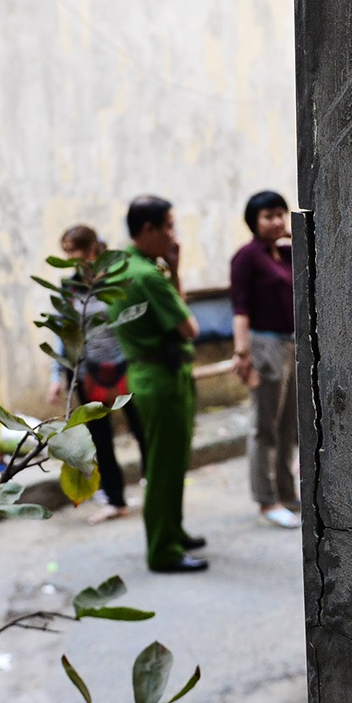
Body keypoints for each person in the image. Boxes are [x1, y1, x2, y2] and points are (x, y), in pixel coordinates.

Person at [110, 196, 207, 573]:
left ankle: (172, 531)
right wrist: (174, 273)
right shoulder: (148, 275)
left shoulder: (124, 264)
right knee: (166, 465)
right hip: (162, 376)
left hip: (146, 373)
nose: (173, 235)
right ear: (147, 229)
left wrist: (173, 268)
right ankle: (164, 550)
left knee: (169, 460)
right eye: (168, 226)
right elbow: (189, 327)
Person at [47, 224, 146, 524]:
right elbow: (64, 332)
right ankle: (115, 499)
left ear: (92, 250)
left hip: (126, 367)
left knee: (142, 428)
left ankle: (152, 484)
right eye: (65, 252)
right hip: (90, 372)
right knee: (101, 438)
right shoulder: (70, 288)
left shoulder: (118, 280)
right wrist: (56, 375)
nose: (70, 258)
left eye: (74, 251)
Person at [231, 191, 300, 529]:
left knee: (289, 426)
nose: (276, 221)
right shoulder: (247, 257)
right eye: (267, 216)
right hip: (263, 346)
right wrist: (242, 354)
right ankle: (266, 499)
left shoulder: (285, 254)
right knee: (265, 427)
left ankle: (287, 492)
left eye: (279, 214)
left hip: (291, 344)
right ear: (253, 221)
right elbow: (240, 308)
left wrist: (293, 234)